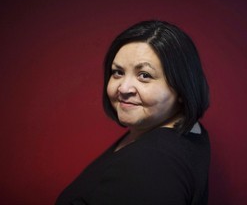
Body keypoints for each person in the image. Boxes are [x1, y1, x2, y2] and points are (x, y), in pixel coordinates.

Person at [55, 20, 210, 205]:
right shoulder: (186, 130)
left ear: (182, 89)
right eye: (118, 72)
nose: (124, 88)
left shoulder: (150, 164)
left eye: (145, 75)